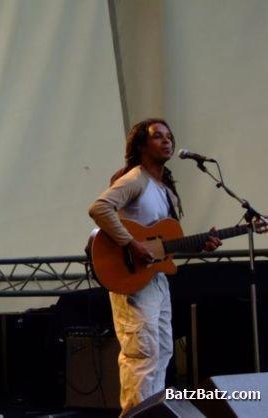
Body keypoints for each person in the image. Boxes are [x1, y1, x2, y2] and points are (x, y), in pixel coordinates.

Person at [88, 118, 221, 416]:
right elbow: (99, 208)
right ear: (141, 145)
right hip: (132, 278)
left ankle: (151, 414)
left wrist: (201, 244)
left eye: (169, 136)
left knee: (161, 352)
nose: (167, 141)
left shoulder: (166, 189)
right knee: (143, 353)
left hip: (155, 278)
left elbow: (163, 244)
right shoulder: (135, 179)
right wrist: (131, 244)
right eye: (158, 136)